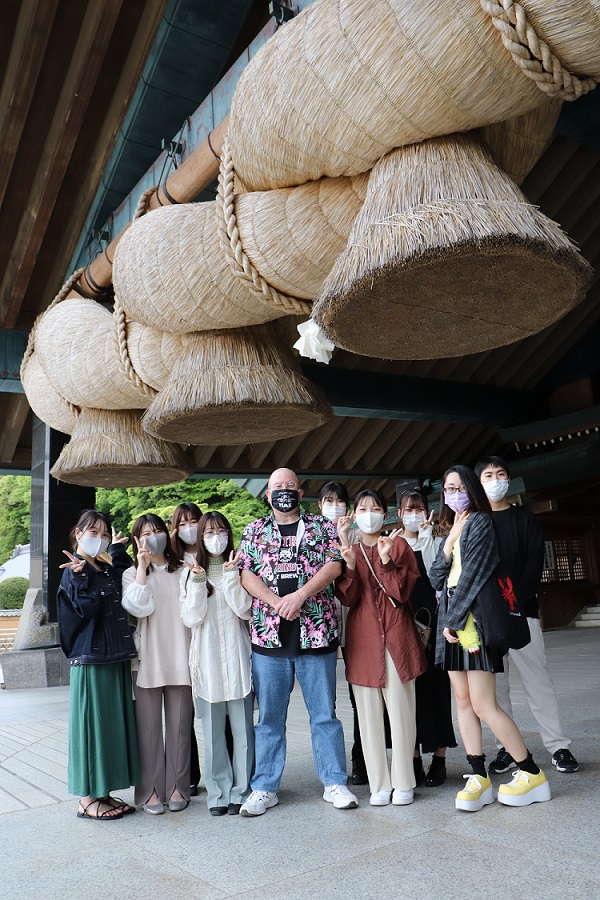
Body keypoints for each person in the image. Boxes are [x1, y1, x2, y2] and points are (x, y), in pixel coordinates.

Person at [429, 465, 551, 811]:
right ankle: (478, 775)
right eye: (447, 488)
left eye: (459, 486)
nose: (453, 493)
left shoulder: (482, 522)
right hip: (452, 623)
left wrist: (452, 620)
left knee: (484, 704)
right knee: (463, 702)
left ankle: (531, 771)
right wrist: (450, 543)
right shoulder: (451, 527)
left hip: (474, 624)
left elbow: (476, 575)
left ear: (471, 488)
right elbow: (438, 577)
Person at [237, 467, 358, 816]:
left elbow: (334, 565)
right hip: (269, 638)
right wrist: (278, 603)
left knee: (324, 715)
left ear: (300, 493)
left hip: (315, 633)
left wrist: (301, 595)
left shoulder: (321, 527)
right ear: (268, 494)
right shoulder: (254, 530)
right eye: (278, 487)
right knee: (269, 718)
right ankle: (264, 787)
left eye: (290, 486)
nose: (284, 491)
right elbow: (246, 573)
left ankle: (334, 782)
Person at [476, 455, 579, 774]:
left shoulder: (526, 520)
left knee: (538, 681)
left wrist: (513, 603)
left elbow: (535, 566)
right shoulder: (476, 522)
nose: (495, 480)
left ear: (509, 479)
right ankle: (506, 748)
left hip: (523, 612)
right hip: (485, 618)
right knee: (497, 686)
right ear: (478, 484)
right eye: (488, 475)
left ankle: (558, 746)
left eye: (500, 473)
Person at [336, 489, 425, 807]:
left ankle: (403, 781)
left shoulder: (399, 544)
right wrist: (347, 566)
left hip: (397, 637)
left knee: (401, 711)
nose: (368, 513)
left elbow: (401, 593)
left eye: (375, 508)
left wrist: (386, 560)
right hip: (362, 640)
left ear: (385, 513)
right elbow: (348, 597)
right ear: (355, 513)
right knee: (368, 716)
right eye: (362, 508)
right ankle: (379, 783)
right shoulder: (350, 549)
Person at [57, 510, 139, 820]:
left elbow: (122, 578)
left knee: (108, 727)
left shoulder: (101, 565)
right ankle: (86, 799)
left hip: (113, 654)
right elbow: (87, 610)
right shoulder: (73, 570)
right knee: (91, 727)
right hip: (90, 658)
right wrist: (81, 575)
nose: (99, 538)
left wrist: (116, 549)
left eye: (104, 534)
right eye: (93, 532)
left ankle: (102, 793)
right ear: (78, 534)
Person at [180, 511, 254, 816]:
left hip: (237, 661)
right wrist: (198, 582)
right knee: (212, 736)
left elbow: (246, 611)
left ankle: (242, 791)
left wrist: (233, 578)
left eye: (221, 531)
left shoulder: (239, 567)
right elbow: (190, 618)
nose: (216, 537)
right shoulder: (189, 572)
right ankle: (218, 795)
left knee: (243, 734)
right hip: (207, 664)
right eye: (209, 532)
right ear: (200, 536)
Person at [122, 513, 193, 814]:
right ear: (137, 540)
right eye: (145, 533)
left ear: (167, 534)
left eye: (158, 530)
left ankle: (178, 786)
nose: (153, 536)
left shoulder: (183, 570)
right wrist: (141, 566)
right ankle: (149, 791)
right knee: (148, 730)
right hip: (147, 660)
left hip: (181, 656)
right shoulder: (130, 574)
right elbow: (138, 607)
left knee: (179, 729)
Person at [399, 490, 457, 787]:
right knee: (410, 695)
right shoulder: (395, 544)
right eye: (409, 509)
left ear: (428, 512)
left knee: (437, 690)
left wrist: (426, 539)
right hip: (404, 626)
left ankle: (440, 758)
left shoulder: (437, 542)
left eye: (419, 508)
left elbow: (438, 576)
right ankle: (413, 759)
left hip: (436, 625)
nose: (415, 513)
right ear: (399, 513)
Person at [318, 481, 368, 786]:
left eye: (339, 501)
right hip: (321, 627)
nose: (333, 506)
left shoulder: (358, 536)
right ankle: (331, 765)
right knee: (327, 701)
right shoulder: (311, 536)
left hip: (353, 625)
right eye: (328, 500)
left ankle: (361, 758)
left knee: (358, 695)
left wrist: (343, 537)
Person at [170, 501, 204, 795]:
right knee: (184, 715)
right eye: (182, 524)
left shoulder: (218, 553)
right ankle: (190, 774)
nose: (189, 529)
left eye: (194, 521)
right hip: (182, 643)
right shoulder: (172, 562)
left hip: (211, 642)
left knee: (223, 710)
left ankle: (232, 769)